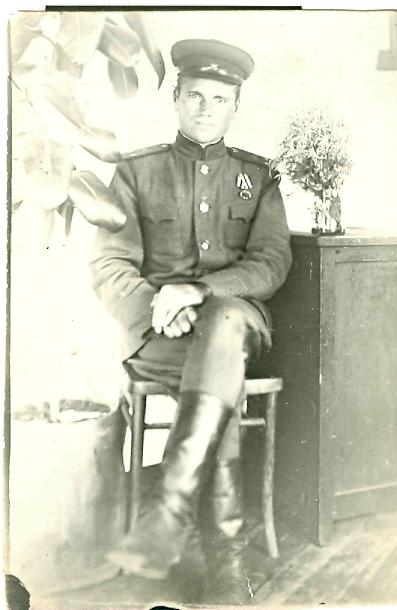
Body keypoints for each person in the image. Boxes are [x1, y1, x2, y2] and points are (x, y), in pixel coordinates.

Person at [90, 38, 292, 603]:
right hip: (163, 339)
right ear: (176, 99)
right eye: (196, 96)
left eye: (219, 99)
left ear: (236, 107)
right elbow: (110, 264)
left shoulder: (258, 177)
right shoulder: (136, 172)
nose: (206, 108)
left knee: (223, 327)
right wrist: (157, 312)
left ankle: (168, 513)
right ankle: (227, 558)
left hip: (238, 324)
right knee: (218, 368)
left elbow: (270, 263)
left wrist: (197, 290)